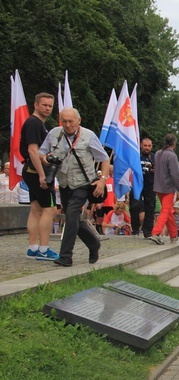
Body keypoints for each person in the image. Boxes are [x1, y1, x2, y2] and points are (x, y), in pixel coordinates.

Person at [38, 107, 109, 267]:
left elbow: (104, 158)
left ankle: (66, 256)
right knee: (73, 218)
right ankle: (93, 243)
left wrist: (103, 180)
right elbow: (41, 152)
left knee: (71, 214)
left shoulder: (88, 136)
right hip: (64, 183)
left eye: (71, 121)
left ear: (79, 121)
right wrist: (45, 158)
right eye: (64, 121)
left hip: (83, 183)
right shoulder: (54, 133)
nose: (68, 125)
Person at [21, 93, 59, 260]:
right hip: (36, 172)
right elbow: (32, 150)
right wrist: (42, 175)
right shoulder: (34, 123)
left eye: (50, 106)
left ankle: (33, 247)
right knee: (50, 209)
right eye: (44, 105)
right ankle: (44, 249)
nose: (47, 108)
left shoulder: (38, 124)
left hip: (31, 171)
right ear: (35, 105)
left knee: (36, 210)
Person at [148, 134, 179, 244]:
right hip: (168, 187)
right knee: (165, 211)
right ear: (174, 144)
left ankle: (173, 234)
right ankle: (156, 233)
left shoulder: (158, 153)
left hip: (158, 186)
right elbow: (175, 174)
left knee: (167, 211)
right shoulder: (172, 156)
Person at [129, 138, 156, 238]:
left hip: (150, 185)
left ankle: (147, 231)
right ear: (141, 145)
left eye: (149, 146)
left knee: (150, 208)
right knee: (134, 206)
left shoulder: (154, 157)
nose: (147, 148)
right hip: (137, 185)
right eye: (145, 146)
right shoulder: (136, 156)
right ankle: (135, 229)